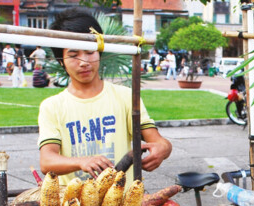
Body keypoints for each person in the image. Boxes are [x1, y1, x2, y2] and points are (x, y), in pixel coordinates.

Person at [37, 9, 173, 184]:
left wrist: (163, 148)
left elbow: (158, 141)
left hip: (124, 205)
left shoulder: (125, 96)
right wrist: (81, 162)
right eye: (73, 55)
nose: (84, 62)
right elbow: (47, 161)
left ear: (100, 52)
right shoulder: (52, 106)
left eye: (89, 51)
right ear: (61, 61)